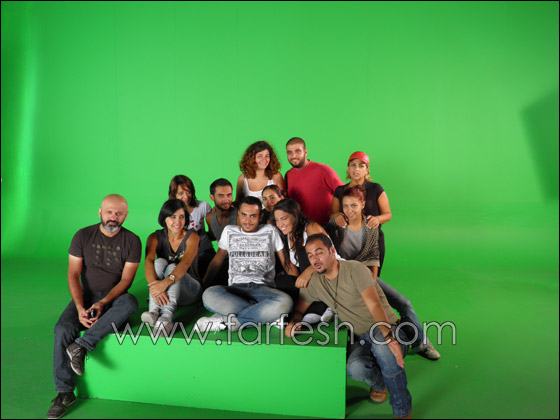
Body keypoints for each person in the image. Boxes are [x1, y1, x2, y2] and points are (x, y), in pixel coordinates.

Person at [285, 234, 412, 419]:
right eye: (310, 255)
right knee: (355, 368)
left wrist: (389, 337)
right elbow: (300, 307)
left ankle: (402, 412)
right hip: (360, 337)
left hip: (387, 328)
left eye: (319, 253)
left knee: (383, 348)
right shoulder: (316, 283)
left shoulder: (355, 269)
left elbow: (374, 304)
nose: (315, 259)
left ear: (332, 251)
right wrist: (294, 321)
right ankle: (380, 384)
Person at [48, 195, 141, 419]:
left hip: (113, 298)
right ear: (100, 212)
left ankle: (81, 345)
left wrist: (103, 302)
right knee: (62, 329)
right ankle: (64, 392)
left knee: (130, 302)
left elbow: (126, 280)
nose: (113, 217)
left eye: (119, 213)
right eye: (109, 212)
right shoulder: (83, 235)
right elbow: (73, 274)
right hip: (85, 296)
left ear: (126, 215)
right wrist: (80, 307)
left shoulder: (132, 240)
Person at [326, 187, 440, 359]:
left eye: (354, 205)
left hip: (366, 278)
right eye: (346, 206)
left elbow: (373, 258)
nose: (349, 210)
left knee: (403, 302)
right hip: (342, 280)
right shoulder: (336, 225)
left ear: (363, 204)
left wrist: (371, 284)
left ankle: (421, 344)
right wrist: (335, 217)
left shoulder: (371, 226)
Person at [196, 196, 296, 331]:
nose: (247, 221)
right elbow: (217, 261)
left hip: (263, 289)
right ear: (238, 214)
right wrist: (204, 284)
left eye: (253, 216)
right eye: (244, 215)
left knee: (286, 301)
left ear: (261, 216)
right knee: (208, 295)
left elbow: (286, 263)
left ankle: (226, 321)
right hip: (235, 290)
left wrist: (300, 284)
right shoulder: (229, 231)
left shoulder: (271, 231)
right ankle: (266, 315)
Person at [140, 199, 202, 335]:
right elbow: (148, 261)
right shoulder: (154, 237)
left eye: (181, 217)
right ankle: (154, 311)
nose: (178, 221)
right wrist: (156, 288)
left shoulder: (192, 237)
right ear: (164, 218)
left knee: (173, 266)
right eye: (173, 217)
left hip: (190, 290)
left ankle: (167, 318)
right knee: (158, 262)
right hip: (165, 292)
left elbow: (185, 263)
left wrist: (165, 283)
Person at [271, 198, 332, 323]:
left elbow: (327, 257)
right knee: (280, 281)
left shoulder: (311, 227)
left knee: (304, 253)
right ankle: (304, 308)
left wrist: (307, 272)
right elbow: (294, 275)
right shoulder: (287, 235)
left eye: (284, 218)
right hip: (312, 283)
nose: (280, 224)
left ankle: (320, 307)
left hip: (330, 275)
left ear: (295, 215)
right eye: (277, 220)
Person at [330, 151, 391, 274]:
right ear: (348, 168)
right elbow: (332, 214)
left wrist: (377, 219)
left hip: (372, 241)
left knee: (371, 278)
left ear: (367, 170)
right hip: (346, 241)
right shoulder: (340, 190)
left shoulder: (376, 188)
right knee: (346, 276)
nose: (356, 169)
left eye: (361, 165)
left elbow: (388, 214)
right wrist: (337, 217)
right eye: (353, 165)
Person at [284, 137, 344, 225]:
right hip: (301, 228)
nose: (293, 156)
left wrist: (337, 213)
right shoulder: (288, 175)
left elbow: (345, 193)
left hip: (327, 227)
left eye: (297, 151)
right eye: (290, 152)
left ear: (305, 152)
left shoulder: (323, 170)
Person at [169, 175, 215, 278]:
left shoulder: (203, 206)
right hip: (182, 253)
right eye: (180, 193)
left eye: (189, 192)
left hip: (202, 250)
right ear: (173, 194)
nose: (186, 196)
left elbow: (213, 234)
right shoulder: (170, 211)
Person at [206, 178, 238, 243]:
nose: (226, 200)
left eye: (229, 195)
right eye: (221, 196)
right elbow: (213, 236)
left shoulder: (240, 216)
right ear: (212, 197)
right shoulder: (209, 218)